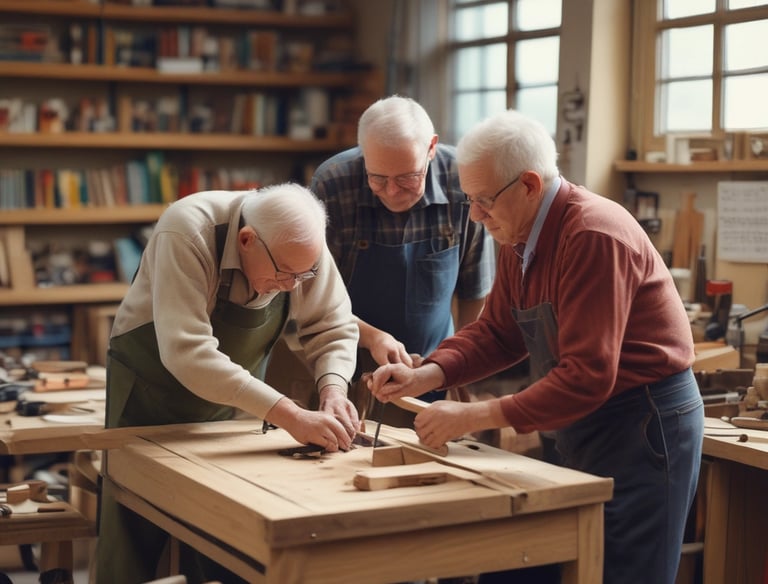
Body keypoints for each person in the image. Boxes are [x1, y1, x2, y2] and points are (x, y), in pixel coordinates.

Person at [367, 109, 704, 584]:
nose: (476, 216)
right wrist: (430, 374)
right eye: (469, 199)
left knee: (625, 573)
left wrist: (474, 415)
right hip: (580, 419)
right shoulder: (518, 234)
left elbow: (587, 375)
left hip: (642, 426)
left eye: (484, 200)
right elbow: (498, 332)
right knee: (535, 559)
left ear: (528, 184)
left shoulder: (591, 236)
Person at [95, 183, 360, 584]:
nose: (293, 286)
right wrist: (289, 413)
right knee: (133, 538)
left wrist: (333, 388)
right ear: (247, 240)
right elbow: (187, 352)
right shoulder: (186, 229)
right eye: (284, 274)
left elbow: (334, 325)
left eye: (303, 274)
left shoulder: (299, 245)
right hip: (148, 397)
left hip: (234, 405)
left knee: (223, 532)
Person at [310, 95, 496, 421]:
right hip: (346, 369)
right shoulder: (334, 184)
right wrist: (373, 338)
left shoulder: (462, 182)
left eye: (408, 177)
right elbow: (312, 300)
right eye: (378, 178)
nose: (392, 191)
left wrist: (459, 365)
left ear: (431, 148)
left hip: (433, 369)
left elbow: (474, 294)